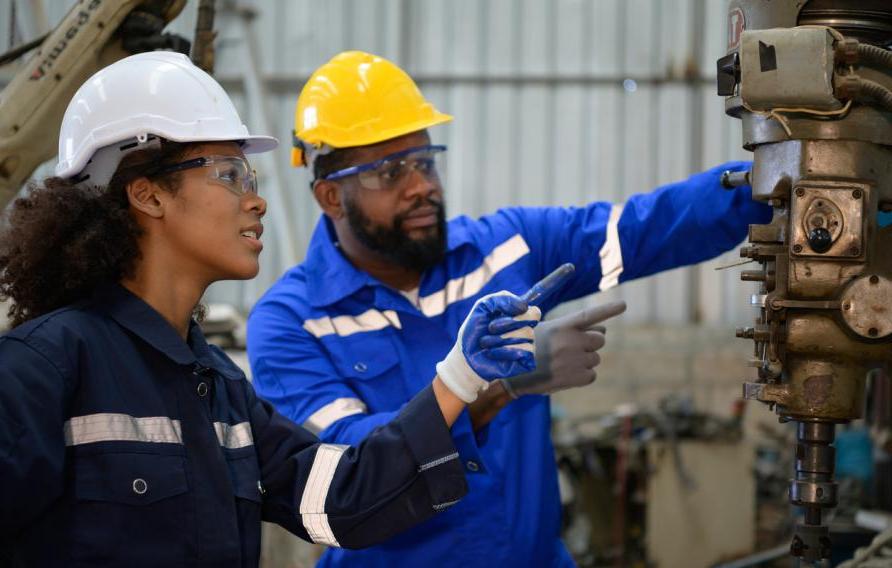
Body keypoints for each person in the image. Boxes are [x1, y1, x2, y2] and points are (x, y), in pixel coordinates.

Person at [0, 51, 543, 567]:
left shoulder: (220, 390)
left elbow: (342, 499)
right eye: (229, 174)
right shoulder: (44, 370)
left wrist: (458, 379)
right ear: (149, 196)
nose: (255, 200)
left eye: (251, 179)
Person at [248, 50, 773, 567]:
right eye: (390, 173)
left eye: (426, 162)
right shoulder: (292, 323)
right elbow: (354, 469)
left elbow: (643, 228)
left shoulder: (505, 249)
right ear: (329, 198)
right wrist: (503, 387)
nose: (423, 187)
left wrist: (772, 178)